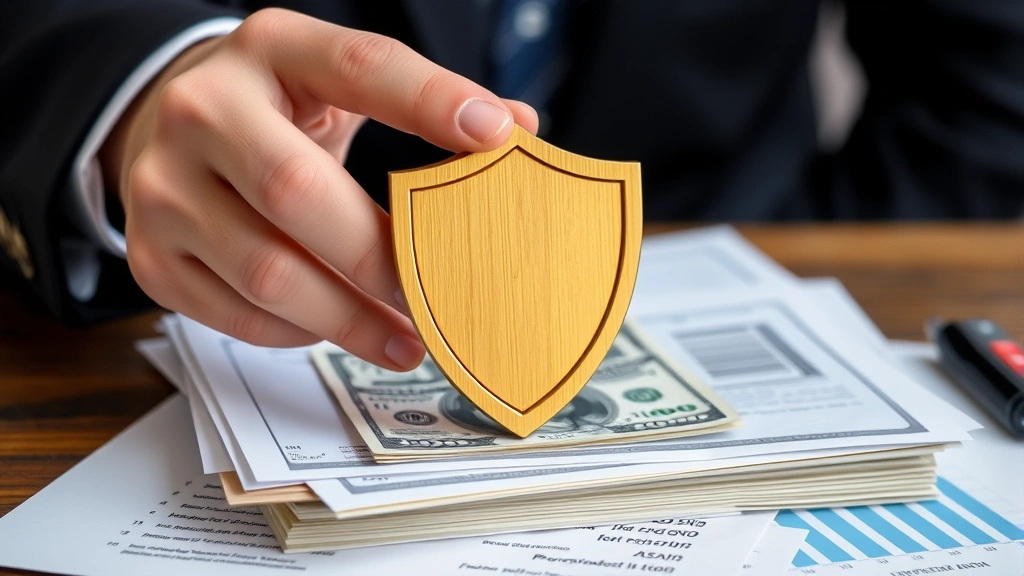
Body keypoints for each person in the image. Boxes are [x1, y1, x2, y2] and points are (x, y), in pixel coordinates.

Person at [1, 1, 1022, 371]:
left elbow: (985, 83)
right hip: (247, 304)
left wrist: (806, 287)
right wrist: (135, 96)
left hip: (748, 247)